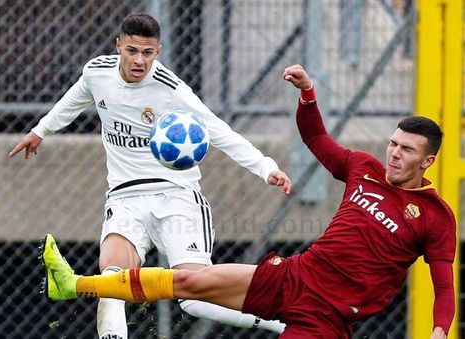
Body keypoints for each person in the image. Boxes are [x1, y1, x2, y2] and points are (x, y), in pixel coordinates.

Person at [40, 64, 456, 339]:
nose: (394, 154)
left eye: (406, 150)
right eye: (393, 143)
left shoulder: (436, 217)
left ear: (428, 161)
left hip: (327, 317)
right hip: (293, 276)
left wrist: (439, 330)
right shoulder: (364, 168)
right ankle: (73, 285)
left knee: (192, 290)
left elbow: (443, 287)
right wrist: (308, 94)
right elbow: (316, 138)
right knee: (189, 281)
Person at [10, 12, 291, 339]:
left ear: (158, 51)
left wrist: (265, 167)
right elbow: (74, 100)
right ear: (118, 46)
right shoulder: (96, 73)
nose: (139, 60)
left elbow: (219, 131)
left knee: (194, 298)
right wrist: (40, 131)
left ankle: (284, 324)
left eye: (147, 53)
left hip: (177, 196)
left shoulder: (172, 91)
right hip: (125, 197)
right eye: (132, 51)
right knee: (112, 282)